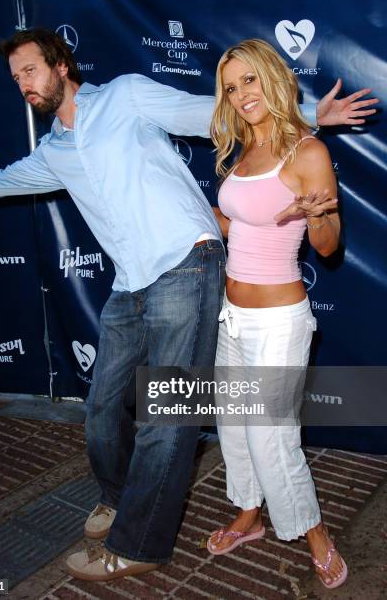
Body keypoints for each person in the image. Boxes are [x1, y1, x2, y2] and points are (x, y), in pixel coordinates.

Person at [0, 28, 377, 582]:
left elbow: (217, 113)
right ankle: (123, 497)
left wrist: (313, 113)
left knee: (170, 414)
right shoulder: (51, 153)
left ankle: (141, 542)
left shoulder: (123, 96)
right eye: (14, 78)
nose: (22, 84)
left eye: (29, 70)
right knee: (103, 408)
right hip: (131, 283)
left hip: (187, 266)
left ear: (60, 64)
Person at [207, 38, 351, 590]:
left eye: (249, 81)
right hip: (231, 316)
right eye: (231, 87)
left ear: (273, 78)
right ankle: (248, 513)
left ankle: (313, 532)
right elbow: (236, 225)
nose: (242, 95)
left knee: (272, 435)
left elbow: (329, 245)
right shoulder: (240, 149)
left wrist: (317, 216)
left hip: (278, 322)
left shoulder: (307, 152)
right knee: (235, 427)